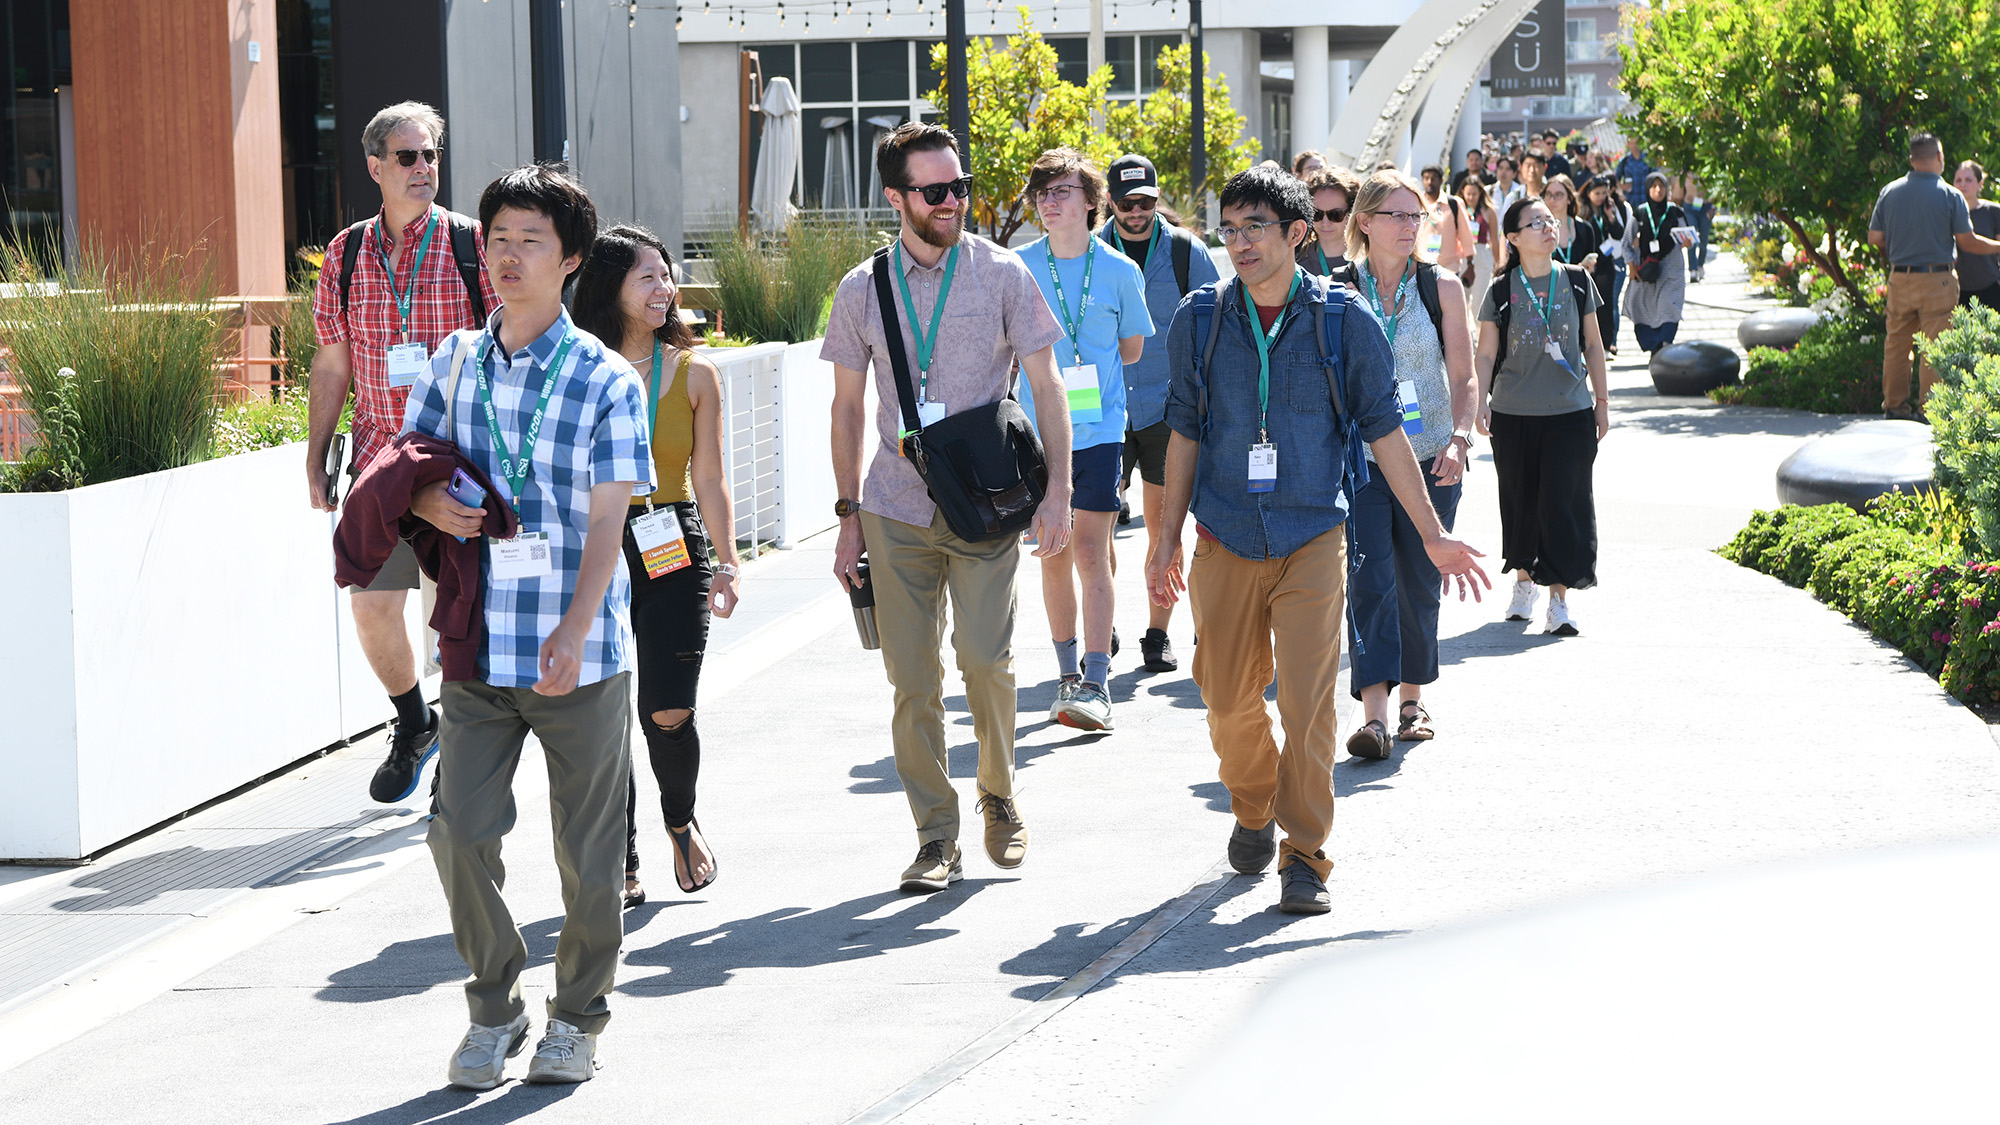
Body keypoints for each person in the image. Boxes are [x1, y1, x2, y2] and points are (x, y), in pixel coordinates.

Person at [1144, 165, 1489, 916]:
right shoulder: (1200, 321)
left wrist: (1431, 535)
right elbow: (1184, 432)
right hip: (1226, 534)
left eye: (1255, 228)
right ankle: (1253, 802)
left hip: (1312, 534)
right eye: (1229, 229)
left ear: (1299, 234)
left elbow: (1385, 433)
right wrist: (1162, 540)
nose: (1238, 243)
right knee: (1225, 698)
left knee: (1308, 706)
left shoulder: (1343, 320)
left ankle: (1304, 852)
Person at [404, 165, 650, 1087]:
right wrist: (428, 498)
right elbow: (408, 465)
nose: (508, 256)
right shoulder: (454, 360)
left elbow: (608, 519)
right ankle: (496, 1005)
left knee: (588, 858)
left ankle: (578, 1017)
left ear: (571, 259)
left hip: (578, 651)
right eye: (497, 237)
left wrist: (579, 624)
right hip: (476, 642)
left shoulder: (605, 378)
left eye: (531, 241)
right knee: (456, 832)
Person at [823, 122, 1073, 892]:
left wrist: (1058, 491)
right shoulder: (863, 287)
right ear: (897, 197)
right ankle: (936, 836)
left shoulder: (1001, 275)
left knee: (985, 661)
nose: (953, 200)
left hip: (986, 508)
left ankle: (998, 792)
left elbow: (1048, 384)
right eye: (936, 191)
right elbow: (845, 409)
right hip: (895, 507)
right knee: (912, 679)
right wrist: (847, 515)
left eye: (959, 187)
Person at [307, 101, 499, 806]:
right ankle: (415, 722)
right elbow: (332, 363)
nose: (425, 169)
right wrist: (316, 452)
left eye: (432, 156)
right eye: (409, 157)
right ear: (375, 167)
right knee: (372, 606)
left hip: (459, 466)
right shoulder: (346, 253)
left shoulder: (471, 244)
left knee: (461, 613)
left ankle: (468, 745)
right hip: (379, 463)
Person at [569, 225, 741, 909]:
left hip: (671, 538)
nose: (665, 288)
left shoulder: (696, 372)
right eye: (648, 276)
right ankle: (622, 855)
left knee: (667, 708)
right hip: (596, 543)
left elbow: (711, 475)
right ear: (611, 287)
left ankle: (678, 818)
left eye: (667, 275)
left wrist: (728, 562)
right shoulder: (577, 370)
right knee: (607, 711)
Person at [1332, 171, 1479, 757]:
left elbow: (1465, 378)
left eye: (1416, 216)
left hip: (1430, 457)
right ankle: (1374, 717)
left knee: (1420, 580)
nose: (1408, 226)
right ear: (1364, 222)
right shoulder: (1338, 289)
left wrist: (1461, 439)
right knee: (1369, 581)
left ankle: (1413, 703)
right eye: (1395, 215)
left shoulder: (1439, 286)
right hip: (1363, 464)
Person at [1016, 148, 1154, 730]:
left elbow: (1132, 349)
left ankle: (1096, 683)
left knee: (1091, 550)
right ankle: (1067, 673)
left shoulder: (1122, 271)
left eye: (1062, 191)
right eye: (1043, 193)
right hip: (1036, 435)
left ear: (1091, 202)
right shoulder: (1016, 267)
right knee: (1053, 553)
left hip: (1099, 434)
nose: (1050, 201)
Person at [1098, 152, 1222, 673]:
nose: (1137, 212)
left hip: (1166, 411)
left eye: (1146, 202)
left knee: (1162, 526)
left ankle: (1158, 631)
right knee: (1096, 529)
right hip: (1100, 408)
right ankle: (1099, 625)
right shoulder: (1088, 251)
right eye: (1127, 203)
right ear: (1110, 201)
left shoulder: (1183, 251)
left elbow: (1219, 315)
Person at [1478, 197, 1610, 636]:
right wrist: (1478, 402)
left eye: (1550, 221)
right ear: (1513, 238)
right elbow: (1486, 353)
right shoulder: (1500, 290)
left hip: (1570, 413)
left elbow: (1593, 345)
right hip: (1513, 414)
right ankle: (1522, 583)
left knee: (1562, 506)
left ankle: (1558, 600)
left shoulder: (1575, 280)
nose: (1547, 227)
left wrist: (1602, 404)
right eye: (1535, 223)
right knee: (1520, 503)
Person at [1869, 135, 2000, 419]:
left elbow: (1875, 237)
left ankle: (1894, 407)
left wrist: (1899, 248)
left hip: (1899, 277)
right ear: (1940, 158)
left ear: (1912, 160)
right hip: (1937, 279)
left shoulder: (1889, 191)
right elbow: (1968, 242)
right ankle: (1928, 411)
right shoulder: (1950, 195)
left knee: (1897, 344)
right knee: (1935, 345)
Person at [1623, 171, 1689, 356]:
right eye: (1654, 186)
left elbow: (1687, 236)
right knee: (1644, 307)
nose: (1658, 190)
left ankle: (1666, 343)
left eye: (1662, 186)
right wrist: (1631, 266)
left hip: (1671, 268)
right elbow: (1626, 242)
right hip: (1645, 268)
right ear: (1647, 189)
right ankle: (1654, 347)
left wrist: (1688, 242)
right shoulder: (1640, 212)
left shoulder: (1676, 212)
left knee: (1669, 305)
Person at [1580, 175, 1631, 357]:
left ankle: (1607, 343)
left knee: (1606, 304)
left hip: (1605, 262)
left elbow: (1618, 233)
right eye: (1597, 193)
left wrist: (1610, 216)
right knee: (1587, 305)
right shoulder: (1582, 210)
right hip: (1587, 262)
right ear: (1589, 193)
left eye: (1604, 193)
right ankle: (1586, 342)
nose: (1601, 196)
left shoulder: (1608, 209)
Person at [1420, 163, 1477, 290]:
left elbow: (1466, 235)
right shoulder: (1416, 204)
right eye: (1426, 178)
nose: (1429, 182)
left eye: (1433, 178)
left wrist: (1470, 264)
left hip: (1449, 268)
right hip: (1422, 268)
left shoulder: (1454, 203)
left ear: (1441, 180)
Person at [1299, 166, 1361, 278]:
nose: (1325, 222)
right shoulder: (1296, 261)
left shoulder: (1370, 258)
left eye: (1335, 215)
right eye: (1317, 214)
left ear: (1352, 212)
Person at [1954, 160, 2000, 310]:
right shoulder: (1949, 214)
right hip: (1958, 290)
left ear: (1980, 183)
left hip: (1991, 288)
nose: (1963, 185)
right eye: (1958, 180)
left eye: (1968, 180)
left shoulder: (1993, 211)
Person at [1457, 173, 1503, 313]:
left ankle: (1480, 333)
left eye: (1474, 194)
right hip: (1462, 255)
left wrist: (1498, 263)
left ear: (1480, 193)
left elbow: (1495, 239)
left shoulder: (1489, 211)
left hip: (1482, 255)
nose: (1471, 198)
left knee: (1479, 301)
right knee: (1461, 299)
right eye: (1468, 194)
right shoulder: (1459, 209)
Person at [1542, 174, 1602, 276]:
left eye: (1558, 195)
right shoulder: (1538, 229)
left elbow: (1593, 269)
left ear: (1569, 198)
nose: (1552, 199)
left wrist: (1588, 268)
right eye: (1548, 194)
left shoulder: (1585, 229)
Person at [1672, 170, 1713, 282]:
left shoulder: (1708, 170)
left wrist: (1713, 208)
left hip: (1705, 206)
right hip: (1690, 207)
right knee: (1691, 237)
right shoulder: (1685, 173)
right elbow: (1677, 194)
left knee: (1704, 241)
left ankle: (1700, 265)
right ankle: (1693, 269)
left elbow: (1717, 191)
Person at [1616, 138, 1653, 212]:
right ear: (1628, 144)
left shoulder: (1649, 159)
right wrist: (1623, 187)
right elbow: (1615, 179)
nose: (1635, 146)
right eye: (1632, 143)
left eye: (1637, 143)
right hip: (1631, 203)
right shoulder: (1624, 161)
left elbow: (1656, 177)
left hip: (1647, 202)